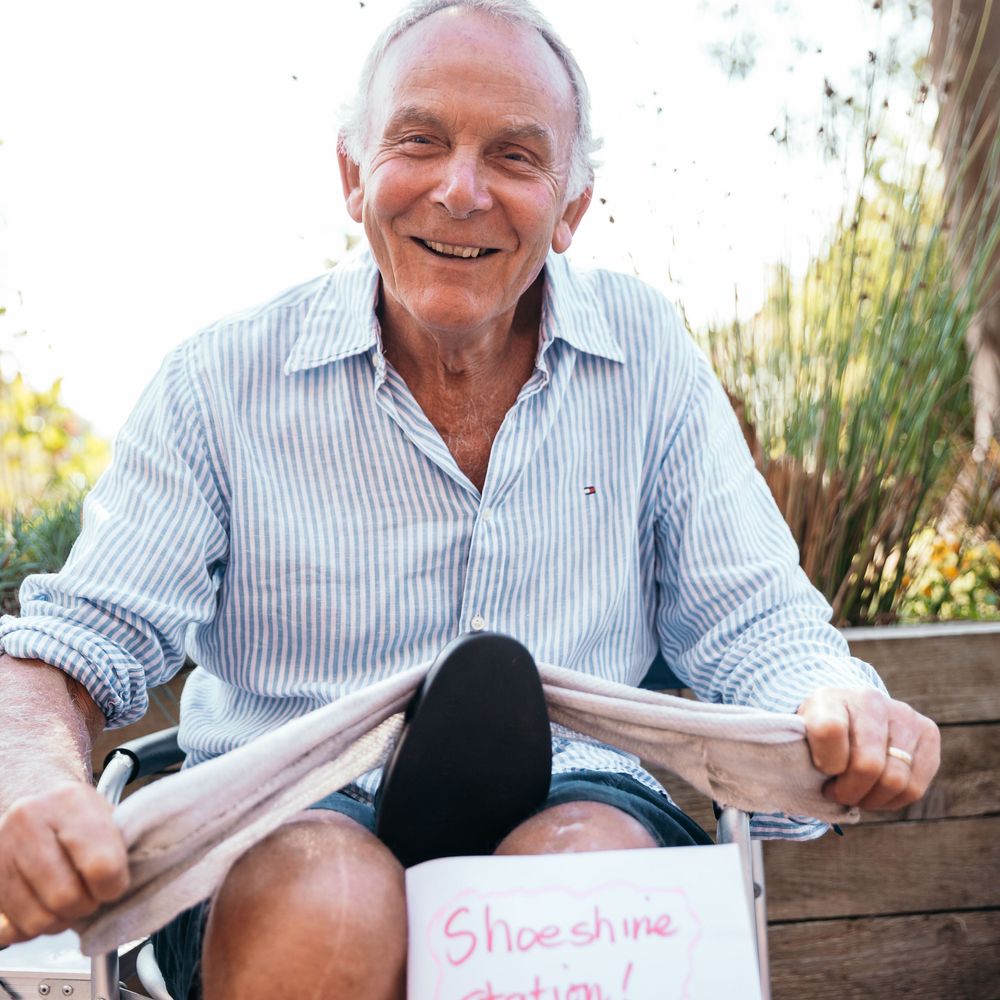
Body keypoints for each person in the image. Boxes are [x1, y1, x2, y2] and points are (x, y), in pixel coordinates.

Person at [0, 1, 940, 997]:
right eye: (419, 142)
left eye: (515, 157)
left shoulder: (647, 355)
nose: (460, 191)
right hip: (281, 813)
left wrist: (835, 706)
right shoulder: (219, 379)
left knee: (580, 881)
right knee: (325, 897)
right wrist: (30, 776)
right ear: (353, 176)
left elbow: (752, 619)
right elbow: (77, 641)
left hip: (584, 795)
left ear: (570, 207)